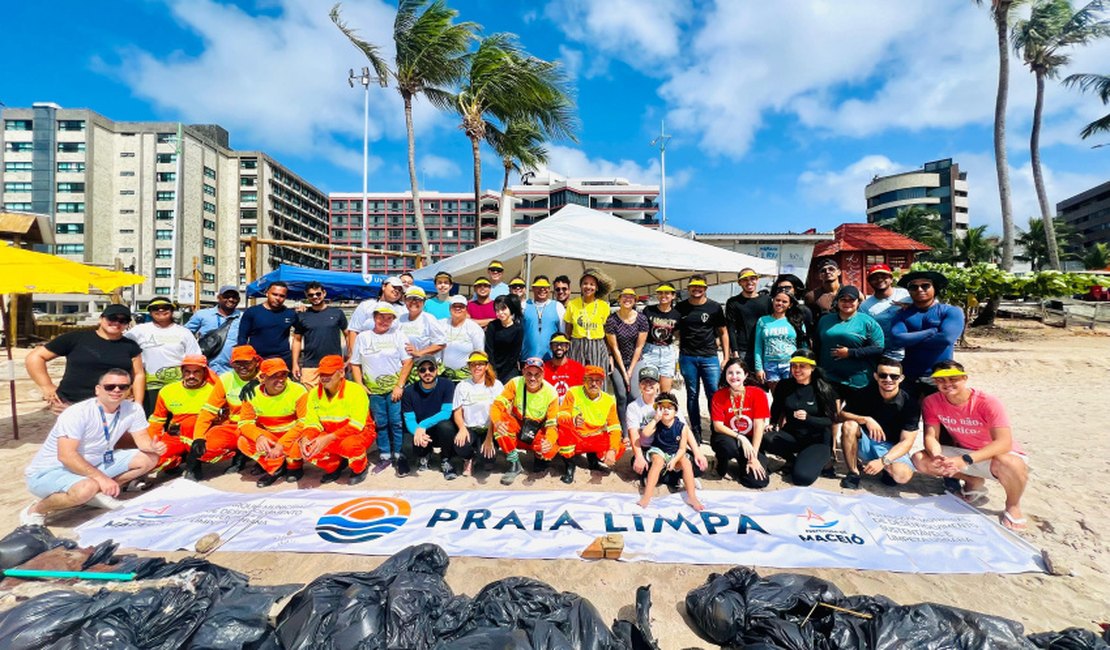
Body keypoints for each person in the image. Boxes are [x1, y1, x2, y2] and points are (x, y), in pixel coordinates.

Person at [21, 368, 164, 525]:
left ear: (129, 390)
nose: (116, 390)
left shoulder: (133, 409)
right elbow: (66, 456)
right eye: (110, 386)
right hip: (52, 470)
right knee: (86, 488)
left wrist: (153, 447)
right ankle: (36, 510)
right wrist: (101, 479)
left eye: (123, 387)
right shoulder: (77, 413)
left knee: (149, 458)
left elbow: (142, 440)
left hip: (95, 462)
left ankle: (98, 493)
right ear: (98, 389)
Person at [913, 360, 1028, 530]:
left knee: (1009, 463)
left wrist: (965, 460)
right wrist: (937, 454)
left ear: (964, 378)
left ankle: (1013, 505)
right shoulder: (931, 401)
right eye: (941, 380)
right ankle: (973, 481)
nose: (947, 384)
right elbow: (931, 435)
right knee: (920, 459)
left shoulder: (987, 402)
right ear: (935, 382)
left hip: (993, 455)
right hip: (964, 451)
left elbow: (1004, 442)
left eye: (953, 379)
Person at [26, 304, 144, 415]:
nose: (117, 323)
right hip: (70, 404)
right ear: (101, 319)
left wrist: (138, 404)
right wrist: (47, 386)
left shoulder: (130, 346)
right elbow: (35, 357)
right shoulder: (76, 338)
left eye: (123, 321)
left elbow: (138, 374)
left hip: (113, 406)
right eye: (112, 318)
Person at [350, 304, 414, 474]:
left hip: (394, 390)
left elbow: (408, 362)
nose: (384, 321)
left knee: (397, 423)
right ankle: (385, 455)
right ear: (374, 317)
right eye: (381, 317)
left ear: (393, 320)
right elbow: (355, 363)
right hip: (374, 391)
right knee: (381, 423)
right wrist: (360, 385)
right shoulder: (363, 337)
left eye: (389, 318)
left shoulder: (398, 336)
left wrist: (399, 386)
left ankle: (399, 456)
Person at [839, 359, 920, 489]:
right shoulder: (864, 394)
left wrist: (883, 461)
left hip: (892, 447)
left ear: (901, 378)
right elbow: (842, 415)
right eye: (883, 375)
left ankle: (885, 468)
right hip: (867, 443)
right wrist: (866, 419)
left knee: (902, 476)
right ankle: (853, 473)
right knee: (849, 425)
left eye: (894, 376)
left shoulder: (910, 404)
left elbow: (907, 442)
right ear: (876, 376)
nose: (888, 379)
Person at [765, 350, 840, 486]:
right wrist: (773, 422)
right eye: (794, 366)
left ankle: (812, 460)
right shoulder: (784, 385)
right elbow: (776, 407)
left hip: (816, 440)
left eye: (802, 366)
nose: (797, 370)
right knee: (766, 438)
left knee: (801, 478)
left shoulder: (824, 388)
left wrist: (809, 418)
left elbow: (831, 420)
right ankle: (792, 459)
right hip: (792, 436)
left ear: (812, 368)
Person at [299, 355, 377, 485]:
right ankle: (335, 466)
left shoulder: (356, 391)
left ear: (341, 373)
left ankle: (360, 468)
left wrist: (327, 438)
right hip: (331, 433)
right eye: (321, 373)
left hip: (359, 433)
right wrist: (306, 437)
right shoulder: (313, 394)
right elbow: (312, 422)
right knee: (307, 448)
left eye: (329, 373)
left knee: (350, 445)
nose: (324, 377)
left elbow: (356, 426)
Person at [146, 354, 221, 479]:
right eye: (187, 372)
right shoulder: (167, 391)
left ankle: (195, 465)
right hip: (176, 434)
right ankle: (176, 462)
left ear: (204, 372)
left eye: (196, 372)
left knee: (191, 422)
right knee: (153, 460)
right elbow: (157, 420)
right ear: (182, 372)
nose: (191, 376)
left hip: (203, 435)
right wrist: (150, 444)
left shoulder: (215, 391)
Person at [236, 358, 309, 487]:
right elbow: (244, 423)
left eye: (284, 375)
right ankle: (275, 468)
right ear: (263, 377)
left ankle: (295, 466)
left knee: (304, 444)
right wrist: (259, 437)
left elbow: (304, 422)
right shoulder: (252, 394)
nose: (281, 379)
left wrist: (282, 444)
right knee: (243, 441)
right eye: (274, 376)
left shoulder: (299, 391)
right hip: (271, 437)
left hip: (293, 437)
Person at [487, 357, 560, 485]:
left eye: (537, 375)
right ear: (523, 372)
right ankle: (514, 464)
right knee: (500, 421)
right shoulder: (515, 383)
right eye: (529, 374)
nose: (532, 378)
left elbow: (552, 425)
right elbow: (497, 405)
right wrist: (497, 421)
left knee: (550, 449)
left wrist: (549, 441)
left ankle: (538, 458)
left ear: (543, 374)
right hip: (519, 425)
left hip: (537, 429)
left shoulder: (552, 393)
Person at [890, 270, 965, 392]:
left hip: (941, 375)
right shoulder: (902, 314)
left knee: (938, 411)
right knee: (908, 410)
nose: (919, 289)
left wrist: (910, 339)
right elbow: (897, 339)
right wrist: (931, 331)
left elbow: (945, 339)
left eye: (925, 286)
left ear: (935, 288)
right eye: (914, 287)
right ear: (909, 291)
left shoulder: (951, 311)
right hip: (909, 375)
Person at [675, 275, 729, 444]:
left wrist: (726, 357)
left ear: (705, 288)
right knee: (692, 395)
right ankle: (696, 431)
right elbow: (675, 329)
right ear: (688, 288)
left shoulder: (714, 307)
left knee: (713, 394)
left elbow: (723, 332)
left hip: (709, 357)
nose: (696, 289)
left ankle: (716, 430)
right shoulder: (681, 307)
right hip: (687, 357)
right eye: (693, 287)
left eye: (700, 287)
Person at [125, 297, 202, 415]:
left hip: (178, 386)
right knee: (151, 420)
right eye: (156, 308)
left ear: (172, 310)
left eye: (165, 308)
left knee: (176, 421)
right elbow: (121, 346)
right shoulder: (138, 330)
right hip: (149, 387)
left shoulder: (184, 332)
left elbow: (195, 358)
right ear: (150, 312)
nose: (161, 310)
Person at [193, 345, 261, 476]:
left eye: (246, 363)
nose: (242, 367)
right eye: (237, 363)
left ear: (256, 362)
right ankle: (237, 454)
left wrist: (259, 380)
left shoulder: (267, 376)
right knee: (206, 449)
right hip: (235, 426)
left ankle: (259, 459)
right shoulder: (225, 379)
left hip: (260, 427)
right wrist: (198, 438)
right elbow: (208, 410)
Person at [636, 392, 705, 512]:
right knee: (657, 461)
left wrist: (674, 460)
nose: (666, 411)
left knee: (686, 463)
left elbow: (682, 449)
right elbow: (645, 434)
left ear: (676, 411)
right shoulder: (657, 423)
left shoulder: (681, 427)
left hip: (675, 453)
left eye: (669, 408)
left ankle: (692, 497)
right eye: (662, 408)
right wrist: (655, 419)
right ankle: (647, 496)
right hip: (659, 450)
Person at [555, 365, 625, 484]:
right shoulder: (573, 392)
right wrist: (573, 419)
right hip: (576, 437)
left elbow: (615, 427)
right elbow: (561, 415)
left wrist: (612, 450)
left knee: (619, 445)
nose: (594, 384)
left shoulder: (608, 400)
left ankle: (593, 461)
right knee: (563, 431)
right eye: (590, 380)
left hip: (594, 437)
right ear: (584, 381)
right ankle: (570, 467)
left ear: (602, 383)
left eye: (597, 380)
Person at [816, 285, 885, 403]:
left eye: (851, 300)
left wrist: (850, 353)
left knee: (855, 418)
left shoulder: (867, 321)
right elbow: (817, 345)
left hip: (857, 380)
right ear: (837, 302)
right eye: (843, 300)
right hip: (829, 377)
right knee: (832, 416)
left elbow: (878, 348)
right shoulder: (825, 320)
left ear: (858, 302)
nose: (847, 303)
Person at [710, 359, 771, 488]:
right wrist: (740, 437)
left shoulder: (758, 394)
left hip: (750, 439)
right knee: (726, 446)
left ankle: (745, 462)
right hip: (730, 437)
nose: (734, 376)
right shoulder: (719, 395)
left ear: (746, 374)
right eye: (730, 373)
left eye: (738, 372)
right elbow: (717, 426)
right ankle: (722, 460)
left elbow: (759, 425)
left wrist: (753, 456)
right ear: (725, 375)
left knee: (758, 481)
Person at [402, 356, 466, 480]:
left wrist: (422, 425)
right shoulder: (409, 391)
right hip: (421, 431)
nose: (427, 372)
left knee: (446, 427)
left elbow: (446, 413)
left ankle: (445, 459)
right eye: (423, 370)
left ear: (437, 370)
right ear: (418, 373)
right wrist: (418, 432)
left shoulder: (447, 385)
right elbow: (409, 419)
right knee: (407, 448)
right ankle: (425, 455)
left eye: (431, 369)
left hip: (438, 430)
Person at [452, 351, 504, 478]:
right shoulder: (462, 385)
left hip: (489, 428)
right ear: (469, 367)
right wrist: (462, 428)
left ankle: (483, 455)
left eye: (480, 364)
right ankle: (468, 459)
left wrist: (489, 438)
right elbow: (457, 411)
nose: (477, 367)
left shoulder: (496, 385)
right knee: (460, 444)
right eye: (473, 364)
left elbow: (498, 413)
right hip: (470, 427)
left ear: (486, 366)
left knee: (488, 458)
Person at [605, 288, 649, 433]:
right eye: (624, 297)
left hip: (636, 360)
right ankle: (624, 431)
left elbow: (639, 347)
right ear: (619, 299)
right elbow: (614, 348)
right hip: (618, 361)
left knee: (634, 395)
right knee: (622, 395)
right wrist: (624, 372)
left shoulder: (642, 319)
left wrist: (630, 370)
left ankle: (634, 429)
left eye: (631, 297)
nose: (627, 299)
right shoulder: (612, 320)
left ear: (635, 300)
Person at [291, 281, 348, 387]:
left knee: (333, 400)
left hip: (333, 364)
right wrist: (295, 363)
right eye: (311, 295)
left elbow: (348, 335)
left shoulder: (337, 313)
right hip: (310, 366)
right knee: (310, 400)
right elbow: (297, 340)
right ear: (306, 296)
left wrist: (350, 356)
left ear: (324, 293)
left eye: (318, 294)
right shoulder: (302, 316)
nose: (315, 297)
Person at [753, 289, 806, 392]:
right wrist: (758, 368)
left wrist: (803, 366)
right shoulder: (763, 320)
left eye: (784, 301)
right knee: (777, 398)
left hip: (791, 364)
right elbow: (758, 345)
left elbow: (804, 345)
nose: (780, 303)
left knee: (791, 397)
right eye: (778, 300)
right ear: (773, 301)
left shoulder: (796, 321)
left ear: (790, 305)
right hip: (770, 365)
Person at [185, 285, 242, 374]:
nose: (231, 299)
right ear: (218, 298)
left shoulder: (243, 317)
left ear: (238, 299)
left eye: (234, 297)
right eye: (226, 296)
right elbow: (184, 335)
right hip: (206, 369)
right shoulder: (202, 315)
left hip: (232, 371)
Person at [237, 281, 295, 367]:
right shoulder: (252, 312)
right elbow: (242, 337)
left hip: (282, 361)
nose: (278, 298)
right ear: (267, 293)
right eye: (274, 294)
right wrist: (245, 358)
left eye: (282, 296)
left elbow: (300, 332)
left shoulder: (290, 314)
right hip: (258, 360)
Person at [860, 265, 911, 362]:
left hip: (911, 349)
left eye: (884, 276)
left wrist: (911, 307)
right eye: (874, 278)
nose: (879, 280)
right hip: (885, 354)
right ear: (869, 282)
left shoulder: (906, 295)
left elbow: (928, 307)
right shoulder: (865, 306)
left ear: (891, 279)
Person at [564, 269, 613, 368]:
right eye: (585, 283)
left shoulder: (604, 306)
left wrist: (610, 355)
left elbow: (608, 334)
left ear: (597, 288)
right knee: (576, 377)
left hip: (597, 345)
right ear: (581, 286)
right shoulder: (572, 304)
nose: (588, 287)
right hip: (577, 345)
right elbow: (568, 331)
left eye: (592, 284)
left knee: (597, 377)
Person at [725, 268, 772, 369]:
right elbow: (731, 328)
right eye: (745, 279)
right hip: (743, 349)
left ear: (757, 280)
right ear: (739, 282)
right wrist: (735, 350)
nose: (749, 282)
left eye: (753, 278)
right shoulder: (733, 302)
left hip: (765, 347)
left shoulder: (767, 300)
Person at [399, 286, 447, 380]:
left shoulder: (429, 318)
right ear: (405, 300)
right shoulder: (400, 318)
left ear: (424, 302)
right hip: (406, 370)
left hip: (426, 370)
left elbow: (441, 343)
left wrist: (419, 353)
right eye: (410, 298)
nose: (413, 302)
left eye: (418, 299)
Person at [346, 276, 405, 352]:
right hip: (366, 354)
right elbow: (353, 331)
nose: (397, 291)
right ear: (384, 286)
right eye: (394, 287)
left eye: (400, 290)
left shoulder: (403, 310)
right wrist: (353, 355)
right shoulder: (366, 306)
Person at [641, 284, 680, 394]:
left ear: (673, 296)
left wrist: (676, 349)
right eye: (660, 293)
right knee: (648, 389)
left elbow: (677, 334)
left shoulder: (676, 315)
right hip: (649, 350)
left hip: (667, 352)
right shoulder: (648, 310)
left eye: (667, 293)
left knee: (665, 392)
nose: (663, 295)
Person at [441, 295, 485, 382]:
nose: (458, 308)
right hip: (444, 375)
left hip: (467, 377)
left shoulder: (474, 327)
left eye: (461, 306)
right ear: (450, 308)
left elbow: (479, 352)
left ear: (466, 309)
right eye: (454, 306)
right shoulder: (441, 324)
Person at [522, 276, 564, 361]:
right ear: (533, 289)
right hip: (527, 360)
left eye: (545, 287)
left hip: (551, 360)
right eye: (539, 287)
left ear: (549, 289)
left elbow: (563, 333)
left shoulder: (558, 306)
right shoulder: (524, 305)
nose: (542, 290)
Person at [485, 295, 524, 382]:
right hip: (493, 367)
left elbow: (514, 355)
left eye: (503, 309)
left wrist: (502, 375)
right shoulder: (492, 325)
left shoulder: (518, 329)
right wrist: (493, 371)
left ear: (510, 309)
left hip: (509, 369)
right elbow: (489, 349)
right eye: (497, 310)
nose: (500, 313)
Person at [773, 274, 815, 348]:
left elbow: (809, 335)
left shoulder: (803, 310)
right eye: (780, 288)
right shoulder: (772, 308)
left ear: (795, 289)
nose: (783, 291)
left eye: (787, 288)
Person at [543, 333, 585, 403]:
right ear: (550, 347)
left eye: (562, 344)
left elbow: (583, 393)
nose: (559, 347)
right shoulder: (543, 369)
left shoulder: (578, 368)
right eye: (555, 344)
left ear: (567, 347)